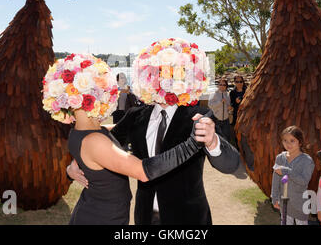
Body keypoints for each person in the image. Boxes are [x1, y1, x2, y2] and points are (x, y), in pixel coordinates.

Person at [68, 38, 240, 225]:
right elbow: (105, 141)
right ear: (147, 76)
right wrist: (74, 163)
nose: (165, 78)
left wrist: (213, 141)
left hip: (188, 218)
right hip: (145, 216)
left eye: (174, 73)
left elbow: (230, 164)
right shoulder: (135, 115)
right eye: (158, 72)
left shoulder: (199, 116)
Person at [42, 53, 207, 225]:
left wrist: (72, 166)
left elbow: (107, 134)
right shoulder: (94, 141)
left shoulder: (83, 131)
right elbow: (143, 172)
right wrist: (192, 144)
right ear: (91, 94)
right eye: (103, 86)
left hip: (94, 210)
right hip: (102, 218)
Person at [271, 126, 315, 225]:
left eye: (292, 140)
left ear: (300, 142)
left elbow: (304, 181)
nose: (288, 144)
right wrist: (274, 197)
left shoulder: (307, 161)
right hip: (284, 203)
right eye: (285, 140)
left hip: (300, 204)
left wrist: (287, 171)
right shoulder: (280, 158)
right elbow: (276, 180)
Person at [208, 77, 232, 142]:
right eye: (220, 84)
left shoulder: (227, 94)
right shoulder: (214, 94)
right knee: (217, 139)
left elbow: (228, 106)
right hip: (216, 119)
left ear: (226, 86)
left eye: (224, 85)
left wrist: (229, 108)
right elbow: (210, 105)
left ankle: (226, 151)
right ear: (218, 85)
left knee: (227, 138)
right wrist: (220, 102)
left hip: (226, 120)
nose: (222, 86)